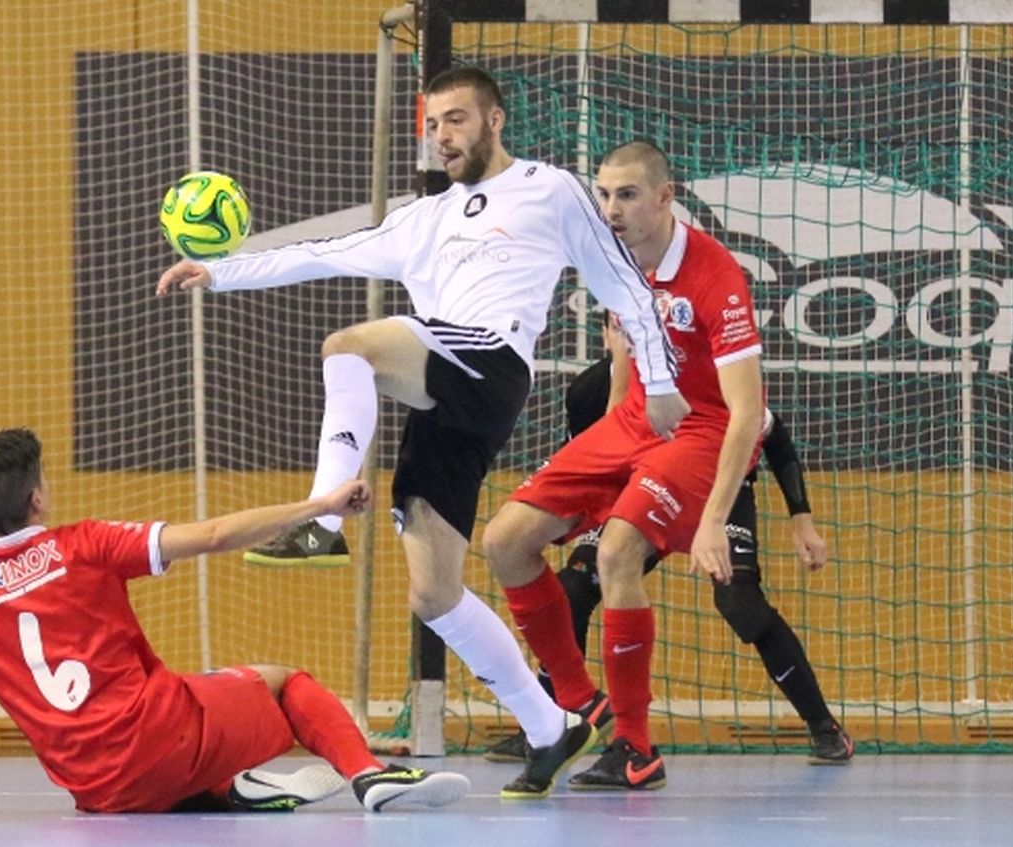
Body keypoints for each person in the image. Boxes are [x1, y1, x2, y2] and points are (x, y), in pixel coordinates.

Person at [156, 67, 690, 797]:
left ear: (494, 120)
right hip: (445, 392)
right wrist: (220, 273)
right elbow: (323, 252)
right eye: (434, 123)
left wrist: (658, 380)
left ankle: (320, 518)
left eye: (457, 120)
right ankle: (550, 727)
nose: (442, 136)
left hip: (490, 358)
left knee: (349, 347)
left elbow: (624, 285)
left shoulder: (549, 187)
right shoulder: (420, 219)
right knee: (435, 595)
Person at [0, 428, 470, 814]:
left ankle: (228, 787)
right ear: (37, 499)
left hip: (96, 790)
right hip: (162, 737)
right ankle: (369, 775)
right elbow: (212, 536)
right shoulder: (84, 543)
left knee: (185, 712)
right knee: (284, 681)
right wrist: (319, 505)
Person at [482, 139, 772, 794]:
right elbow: (627, 357)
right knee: (504, 541)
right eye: (604, 194)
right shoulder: (610, 256)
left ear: (666, 198)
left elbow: (746, 411)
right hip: (636, 419)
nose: (610, 209)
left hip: (705, 427)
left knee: (616, 554)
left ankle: (636, 748)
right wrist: (606, 458)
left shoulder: (716, 276)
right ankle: (584, 704)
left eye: (628, 195)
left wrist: (712, 522)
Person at [485, 313, 853, 766]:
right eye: (618, 330)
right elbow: (604, 453)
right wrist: (621, 364)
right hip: (640, 490)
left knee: (740, 603)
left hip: (719, 487)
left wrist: (802, 520)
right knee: (575, 585)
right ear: (608, 333)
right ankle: (557, 717)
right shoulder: (588, 391)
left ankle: (824, 726)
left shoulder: (699, 374)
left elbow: (771, 434)